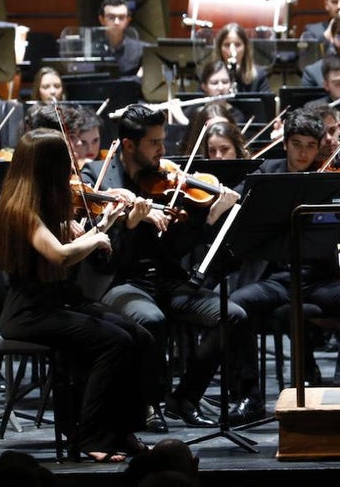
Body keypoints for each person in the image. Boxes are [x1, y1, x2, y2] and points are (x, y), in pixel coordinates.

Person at [79, 103, 245, 432]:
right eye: (154, 143)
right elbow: (101, 258)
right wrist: (128, 225)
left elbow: (177, 247)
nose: (162, 150)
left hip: (167, 280)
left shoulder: (166, 178)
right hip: (120, 282)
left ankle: (184, 398)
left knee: (232, 315)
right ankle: (147, 404)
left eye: (163, 141)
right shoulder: (98, 177)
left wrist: (209, 218)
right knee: (151, 319)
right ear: (128, 145)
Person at [0, 128, 152, 462]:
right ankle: (91, 436)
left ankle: (123, 430)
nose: (72, 168)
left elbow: (72, 249)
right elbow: (61, 255)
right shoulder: (22, 211)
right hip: (30, 313)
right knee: (114, 342)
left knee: (139, 335)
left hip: (58, 302)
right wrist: (94, 239)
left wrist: (104, 225)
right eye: (65, 162)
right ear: (48, 167)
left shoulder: (45, 205)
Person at [226, 107, 340, 398]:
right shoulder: (267, 174)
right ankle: (249, 394)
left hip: (318, 278)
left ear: (319, 147)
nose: (303, 154)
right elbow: (236, 200)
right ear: (285, 144)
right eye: (296, 145)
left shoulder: (329, 177)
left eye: (310, 146)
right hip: (276, 278)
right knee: (235, 306)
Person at [215, 22, 272, 93]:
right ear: (219, 48)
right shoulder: (208, 75)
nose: (232, 50)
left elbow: (267, 103)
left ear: (245, 48)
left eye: (237, 45)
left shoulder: (259, 75)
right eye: (226, 45)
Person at [98, 0, 146, 77]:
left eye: (121, 17)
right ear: (102, 20)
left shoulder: (143, 51)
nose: (116, 22)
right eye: (111, 17)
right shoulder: (90, 50)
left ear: (128, 20)